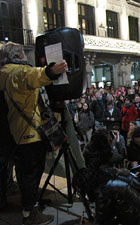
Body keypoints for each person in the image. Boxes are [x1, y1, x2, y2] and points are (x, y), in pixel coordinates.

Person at [0, 42, 68, 224]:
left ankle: (27, 203)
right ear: (19, 55)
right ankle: (30, 213)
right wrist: (54, 70)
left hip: (11, 133)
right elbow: (36, 75)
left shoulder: (2, 73)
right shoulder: (18, 71)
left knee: (20, 173)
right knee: (30, 174)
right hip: (28, 134)